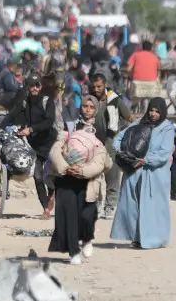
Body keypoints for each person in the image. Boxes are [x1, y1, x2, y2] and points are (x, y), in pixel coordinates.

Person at [49, 98, 112, 265]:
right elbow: (56, 148)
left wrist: (83, 171)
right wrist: (64, 167)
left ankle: (86, 239)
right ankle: (73, 251)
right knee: (69, 215)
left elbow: (101, 158)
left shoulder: (100, 129)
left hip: (89, 180)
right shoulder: (69, 126)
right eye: (85, 106)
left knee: (86, 215)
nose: (88, 110)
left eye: (92, 107)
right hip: (67, 177)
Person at [112, 98, 175, 250]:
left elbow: (164, 152)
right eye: (151, 110)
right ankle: (136, 238)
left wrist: (146, 160)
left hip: (155, 174)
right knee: (135, 205)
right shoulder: (139, 122)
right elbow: (119, 137)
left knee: (154, 207)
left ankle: (156, 239)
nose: (153, 114)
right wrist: (121, 152)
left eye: (157, 111)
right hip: (135, 172)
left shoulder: (167, 128)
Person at [11, 75, 58, 217]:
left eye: (37, 85)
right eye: (31, 85)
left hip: (50, 144)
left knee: (51, 176)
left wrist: (31, 129)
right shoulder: (24, 103)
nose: (34, 88)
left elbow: (49, 122)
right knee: (37, 177)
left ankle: (52, 193)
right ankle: (45, 209)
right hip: (34, 147)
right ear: (27, 87)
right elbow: (12, 115)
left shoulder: (47, 101)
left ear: (41, 86)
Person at [90, 72, 132, 220]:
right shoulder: (90, 100)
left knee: (112, 179)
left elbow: (129, 116)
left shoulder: (114, 100)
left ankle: (110, 206)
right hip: (94, 146)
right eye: (94, 86)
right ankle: (96, 205)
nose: (96, 90)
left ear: (105, 85)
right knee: (93, 178)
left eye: (99, 86)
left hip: (111, 145)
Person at [126, 40, 161, 111]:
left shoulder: (135, 55)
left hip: (138, 84)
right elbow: (158, 70)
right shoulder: (155, 57)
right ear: (151, 48)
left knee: (134, 100)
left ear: (142, 47)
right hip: (151, 85)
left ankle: (133, 111)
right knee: (152, 101)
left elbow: (129, 69)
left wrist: (130, 76)